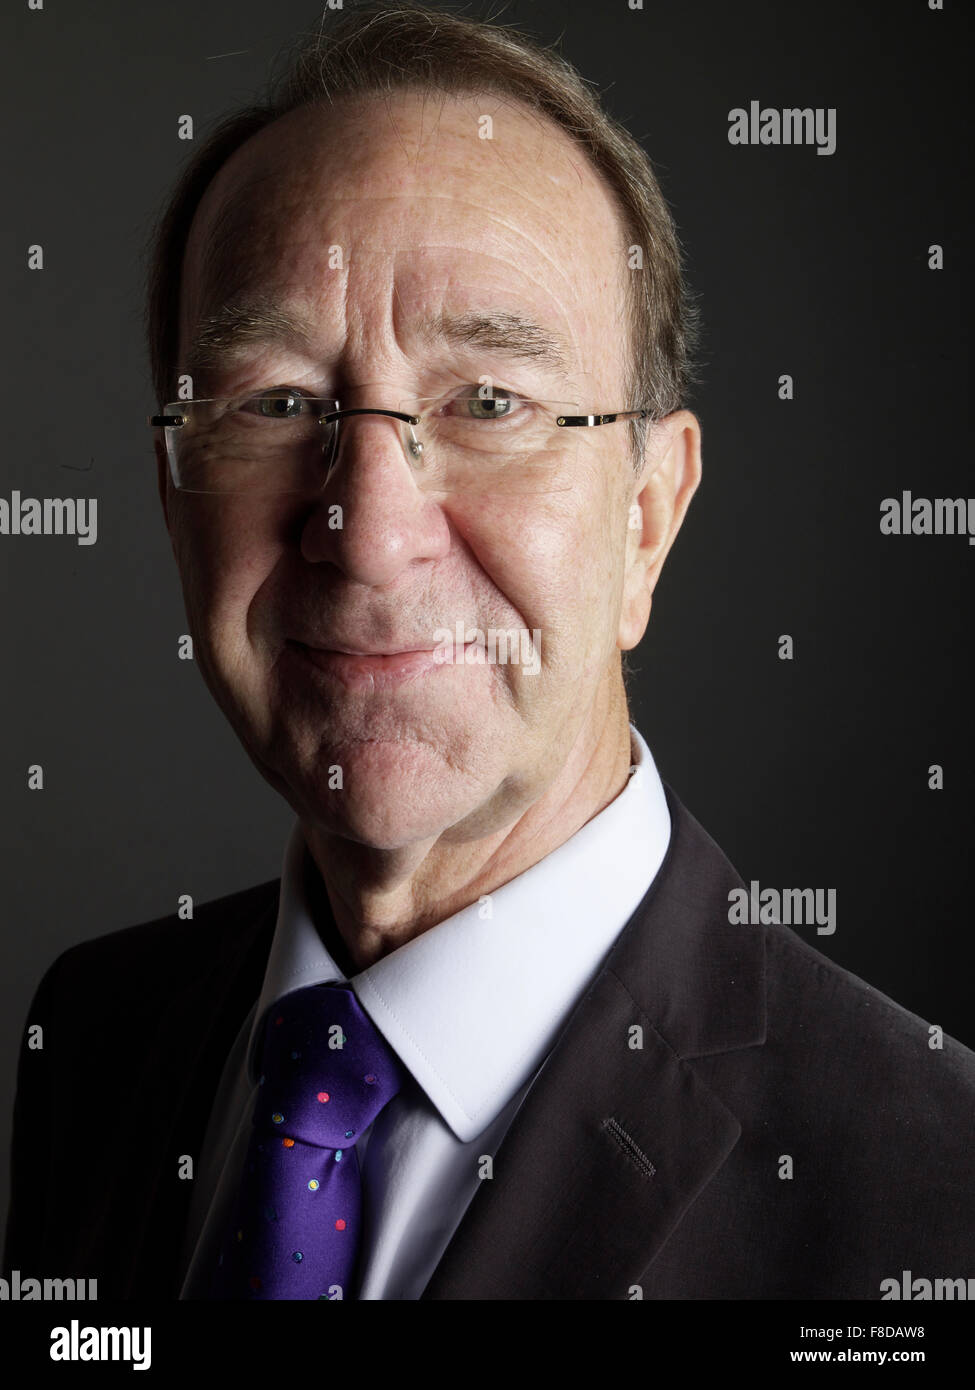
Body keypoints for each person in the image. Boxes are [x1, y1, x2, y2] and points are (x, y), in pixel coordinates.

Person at [4, 1, 973, 1301]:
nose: (369, 534)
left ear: (646, 517)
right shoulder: (104, 1033)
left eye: (489, 403)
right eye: (280, 402)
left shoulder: (934, 1187)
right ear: (177, 495)